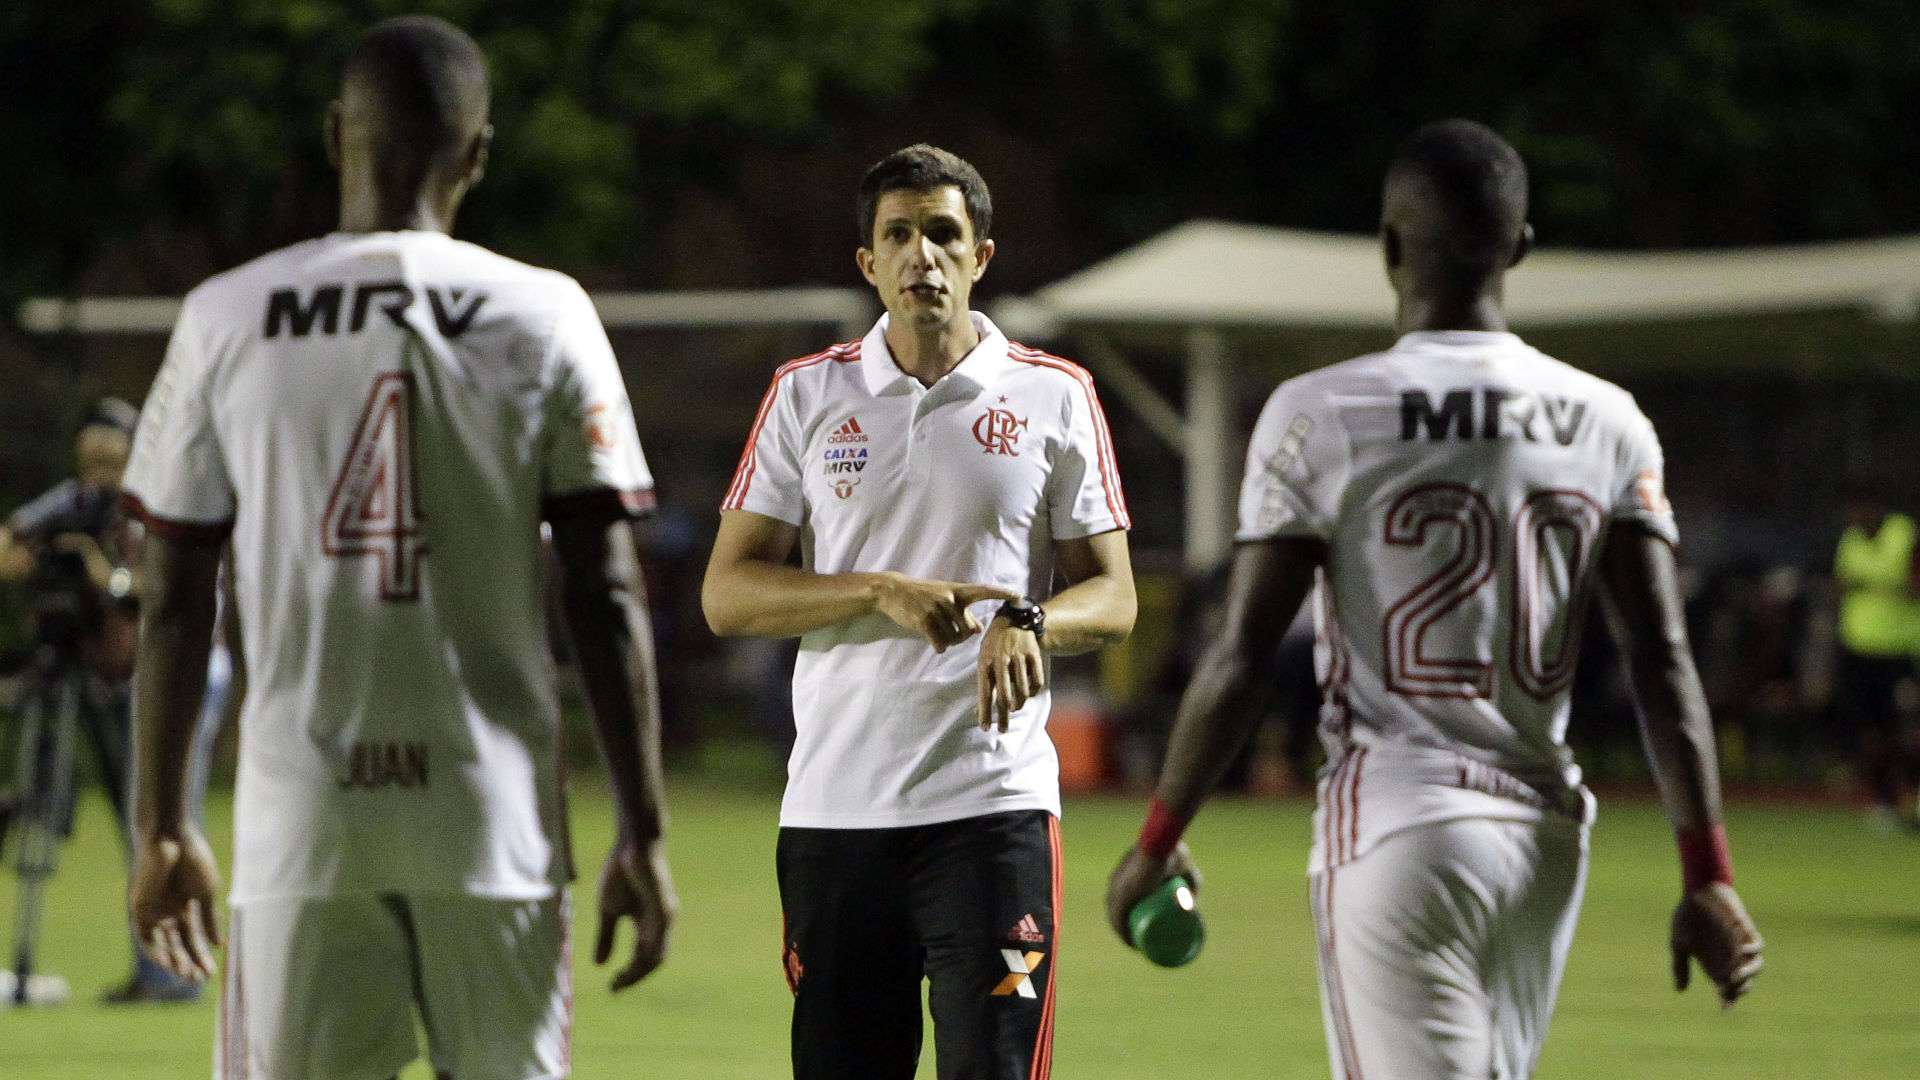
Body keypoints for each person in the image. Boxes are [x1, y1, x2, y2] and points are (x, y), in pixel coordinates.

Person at [1106, 120, 1764, 1080]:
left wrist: (1157, 840)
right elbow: (1662, 660)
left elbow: (1243, 654)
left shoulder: (1323, 411)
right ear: (1522, 249)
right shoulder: (1608, 419)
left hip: (1399, 827)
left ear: (1387, 249)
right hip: (1544, 841)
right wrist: (1708, 873)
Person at [121, 16, 675, 1079]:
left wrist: (159, 824)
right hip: (495, 825)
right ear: (477, 153)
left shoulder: (227, 315)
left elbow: (173, 589)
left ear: (339, 137)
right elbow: (605, 592)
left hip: (304, 822)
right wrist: (643, 834)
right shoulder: (545, 313)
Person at [703, 143, 1136, 1080]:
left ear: (981, 255)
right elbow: (728, 594)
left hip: (991, 807)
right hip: (835, 811)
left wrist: (1032, 622)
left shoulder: (1055, 394)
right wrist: (877, 590)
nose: (921, 256)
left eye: (943, 234)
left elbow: (1115, 594)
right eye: (897, 236)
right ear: (868, 263)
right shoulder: (808, 393)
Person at [0, 398, 200, 1003]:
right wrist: (26, 555)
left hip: (170, 682)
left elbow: (160, 589)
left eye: (112, 458)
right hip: (102, 678)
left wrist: (97, 570)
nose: (101, 472)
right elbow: (10, 538)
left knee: (158, 821)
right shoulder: (74, 503)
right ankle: (154, 972)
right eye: (91, 458)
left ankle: (171, 974)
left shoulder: (159, 502)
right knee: (133, 820)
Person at [1833, 483, 1920, 828]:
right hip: (1858, 649)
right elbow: (1840, 584)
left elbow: (1914, 585)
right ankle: (1885, 800)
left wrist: (1875, 585)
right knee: (1871, 731)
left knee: (1906, 728)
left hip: (1900, 649)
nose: (1856, 517)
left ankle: (1913, 792)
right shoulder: (1851, 539)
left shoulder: (1904, 535)